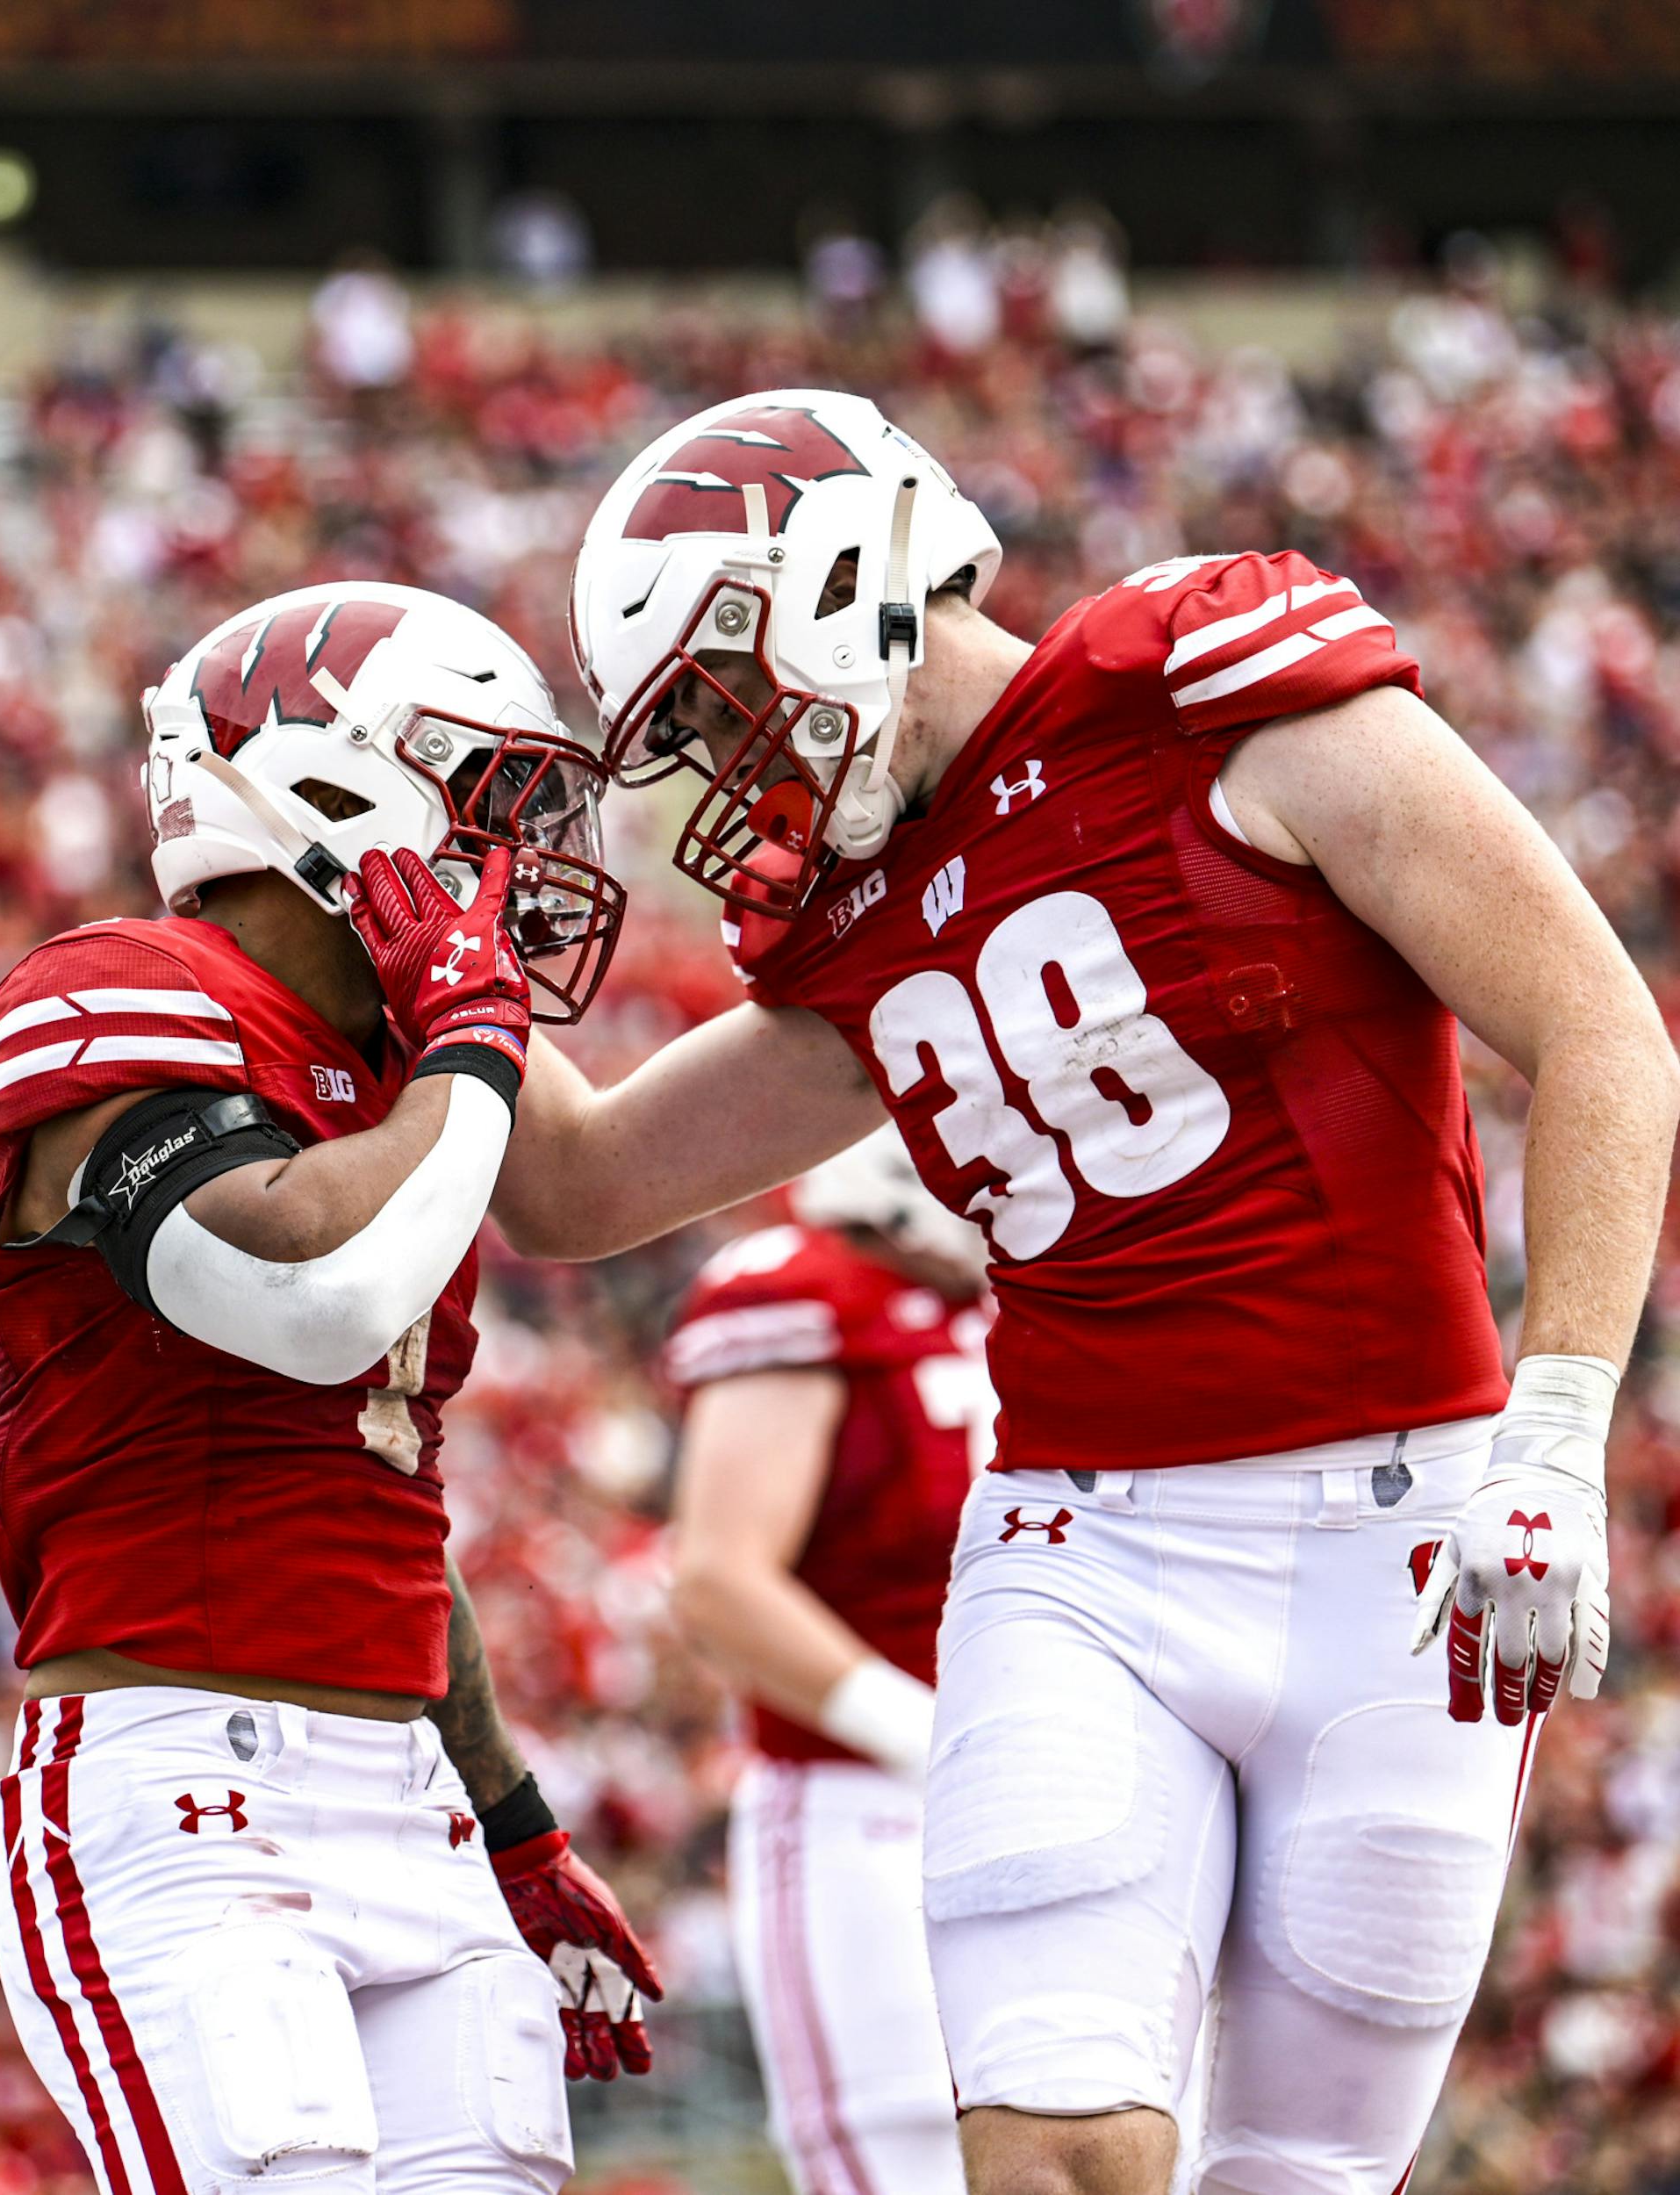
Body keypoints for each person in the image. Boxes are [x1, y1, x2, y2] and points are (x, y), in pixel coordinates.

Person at [492, 390, 1680, 2194]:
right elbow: (576, 1186)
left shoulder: (1201, 690)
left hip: (1402, 1537)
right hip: (1083, 1549)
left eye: (727, 697)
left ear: (842, 578)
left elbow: (1599, 1028)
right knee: (1053, 2144)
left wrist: (1558, 1419)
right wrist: (425, 959)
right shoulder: (859, 911)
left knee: (1295, 2172)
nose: (734, 770)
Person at [0, 580, 655, 2195]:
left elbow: (380, 1501)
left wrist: (514, 1820)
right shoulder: (118, 984)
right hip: (181, 1789)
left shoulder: (413, 1082)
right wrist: (475, 1051)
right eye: (485, 802)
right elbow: (304, 1300)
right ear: (336, 792)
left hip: (410, 1806)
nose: (516, 862)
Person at [666, 1126, 992, 2195]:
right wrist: (929, 1736)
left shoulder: (1002, 1309)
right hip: (869, 1804)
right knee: (899, 2151)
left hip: (1050, 1784)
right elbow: (719, 1581)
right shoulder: (800, 1292)